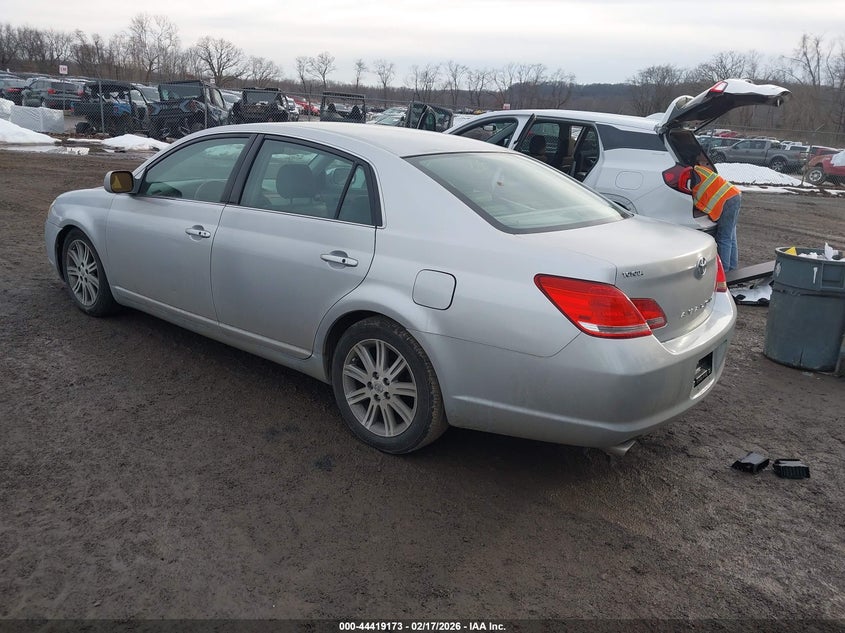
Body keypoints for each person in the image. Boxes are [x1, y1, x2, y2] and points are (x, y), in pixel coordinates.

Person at [689, 156, 742, 272]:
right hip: (734, 194)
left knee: (724, 238)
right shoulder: (699, 169)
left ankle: (725, 273)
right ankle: (732, 269)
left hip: (726, 201)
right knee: (730, 236)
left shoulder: (689, 176)